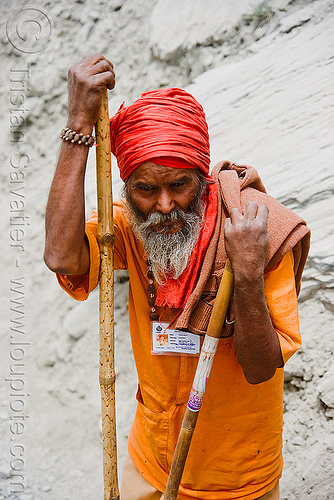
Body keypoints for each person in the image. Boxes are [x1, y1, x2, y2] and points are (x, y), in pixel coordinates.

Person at [44, 54, 310, 500]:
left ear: (203, 177)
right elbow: (61, 257)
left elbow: (262, 367)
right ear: (126, 189)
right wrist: (78, 127)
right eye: (146, 189)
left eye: (179, 185)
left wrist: (244, 277)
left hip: (236, 479)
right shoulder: (131, 224)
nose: (164, 205)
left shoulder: (255, 231)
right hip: (150, 461)